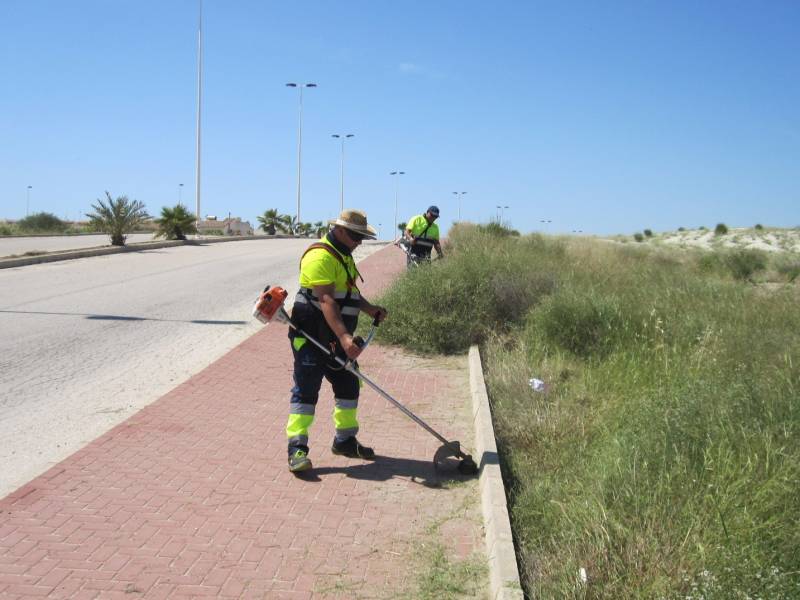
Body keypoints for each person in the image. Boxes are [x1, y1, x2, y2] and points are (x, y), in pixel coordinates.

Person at [286, 209, 388, 473]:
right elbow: (326, 300)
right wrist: (344, 337)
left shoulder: (343, 256)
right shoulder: (319, 255)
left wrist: (370, 309)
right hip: (311, 338)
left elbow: (350, 293)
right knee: (306, 392)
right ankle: (297, 449)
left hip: (334, 339)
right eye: (356, 236)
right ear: (340, 231)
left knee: (349, 386)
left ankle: (344, 441)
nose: (359, 242)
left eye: (362, 237)